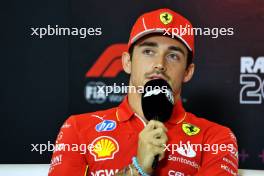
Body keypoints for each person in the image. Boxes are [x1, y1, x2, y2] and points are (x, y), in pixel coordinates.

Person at [48, 8, 238, 176]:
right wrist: (137, 170)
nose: (160, 64)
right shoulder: (78, 128)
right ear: (127, 62)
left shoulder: (216, 138)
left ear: (188, 71)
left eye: (173, 55)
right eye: (148, 51)